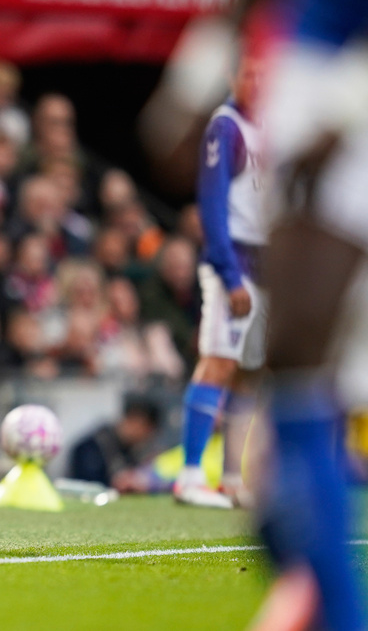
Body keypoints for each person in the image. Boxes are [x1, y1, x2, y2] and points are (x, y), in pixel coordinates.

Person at [143, 0, 367, 627]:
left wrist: (340, 114)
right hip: (301, 85)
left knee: (310, 371)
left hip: (346, 90)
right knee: (296, 365)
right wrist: (189, 88)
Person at [174, 52, 267, 510]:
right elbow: (211, 206)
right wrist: (229, 274)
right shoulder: (226, 126)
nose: (258, 81)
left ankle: (232, 477)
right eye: (249, 71)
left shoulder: (272, 124)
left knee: (249, 374)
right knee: (218, 361)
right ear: (233, 75)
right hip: (235, 264)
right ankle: (190, 474)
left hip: (268, 267)